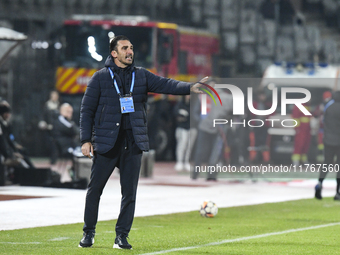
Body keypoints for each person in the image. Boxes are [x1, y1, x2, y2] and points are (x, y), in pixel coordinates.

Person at [78, 35, 206, 249]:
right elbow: (86, 111)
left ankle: (121, 236)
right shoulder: (100, 77)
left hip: (133, 143)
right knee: (95, 190)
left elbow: (167, 84)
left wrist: (190, 87)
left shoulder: (142, 76)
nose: (130, 51)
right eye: (125, 48)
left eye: (131, 47)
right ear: (114, 53)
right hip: (107, 142)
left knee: (129, 194)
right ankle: (88, 233)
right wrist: (85, 140)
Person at [315, 91, 340, 200]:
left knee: (326, 164)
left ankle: (319, 183)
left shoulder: (328, 107)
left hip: (328, 140)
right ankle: (337, 192)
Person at [51, 103, 79, 178]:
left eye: (71, 112)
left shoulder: (69, 122)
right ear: (62, 111)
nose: (70, 114)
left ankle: (77, 174)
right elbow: (72, 131)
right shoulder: (60, 121)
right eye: (68, 112)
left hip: (71, 145)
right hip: (64, 147)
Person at [174, 95, 191, 171]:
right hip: (182, 127)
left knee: (189, 146)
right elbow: (175, 113)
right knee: (182, 145)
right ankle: (179, 162)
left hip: (191, 127)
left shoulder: (193, 104)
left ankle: (186, 162)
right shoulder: (180, 104)